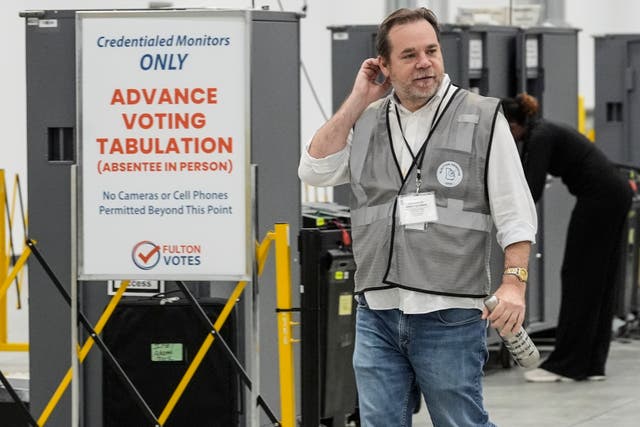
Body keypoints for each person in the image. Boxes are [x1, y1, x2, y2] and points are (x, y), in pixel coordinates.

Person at [298, 8, 537, 427]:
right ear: (384, 67)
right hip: (378, 308)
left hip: (449, 312)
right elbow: (314, 169)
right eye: (409, 55)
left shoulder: (482, 116)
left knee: (461, 422)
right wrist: (358, 99)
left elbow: (515, 211)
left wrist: (513, 284)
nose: (425, 62)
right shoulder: (368, 120)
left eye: (431, 50)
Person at [501, 93, 633, 382]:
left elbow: (530, 191)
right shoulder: (544, 130)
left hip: (600, 198)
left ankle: (566, 365)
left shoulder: (540, 137)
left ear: (512, 126)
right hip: (613, 194)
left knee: (578, 276)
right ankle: (592, 364)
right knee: (598, 280)